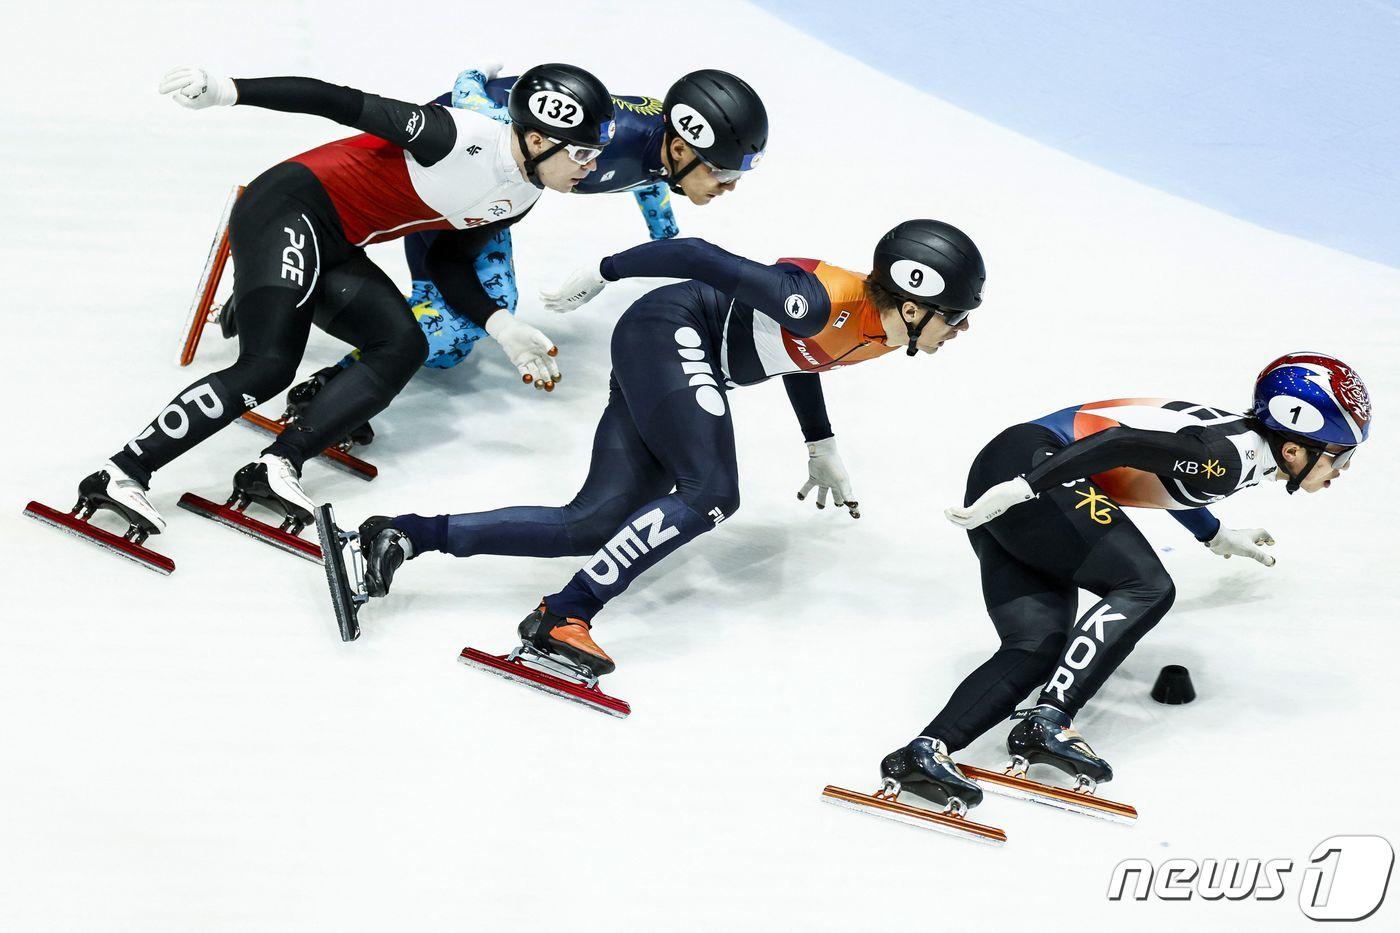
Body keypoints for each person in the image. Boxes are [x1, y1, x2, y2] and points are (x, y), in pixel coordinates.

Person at [344, 220, 985, 679]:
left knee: (590, 523)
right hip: (672, 330)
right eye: (954, 318)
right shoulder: (818, 302)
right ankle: (564, 614)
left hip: (674, 349)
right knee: (712, 494)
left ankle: (399, 534)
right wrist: (604, 270)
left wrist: (820, 442)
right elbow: (700, 255)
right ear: (912, 303)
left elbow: (806, 360)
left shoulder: (878, 328)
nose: (959, 332)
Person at [48, 63, 615, 555]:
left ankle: (278, 465)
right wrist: (227, 89)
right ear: (539, 140)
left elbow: (448, 262)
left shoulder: (523, 193)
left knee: (404, 346)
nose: (590, 168)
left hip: (338, 242)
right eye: (583, 153)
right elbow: (335, 100)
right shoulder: (456, 136)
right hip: (287, 206)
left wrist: (501, 323)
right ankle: (120, 473)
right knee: (269, 365)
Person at [874, 352, 1372, 815]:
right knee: (1148, 585)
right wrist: (1023, 489)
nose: (1343, 472)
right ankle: (1047, 721)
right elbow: (1120, 444)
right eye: (1340, 457)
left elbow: (1162, 474)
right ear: (1293, 446)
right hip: (1030, 474)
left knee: (1037, 645)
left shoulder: (1239, 451)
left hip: (1017, 469)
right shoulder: (1229, 456)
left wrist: (1214, 533)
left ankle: (926, 749)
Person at [291, 64, 768, 427]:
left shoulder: (661, 148)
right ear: (682, 149)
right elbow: (485, 121)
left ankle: (306, 293)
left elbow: (648, 181)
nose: (728, 186)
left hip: (505, 188)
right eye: (722, 172)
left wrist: (667, 241)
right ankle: (327, 374)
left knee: (476, 319)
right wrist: (472, 79)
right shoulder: (616, 141)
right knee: (460, 326)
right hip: (459, 169)